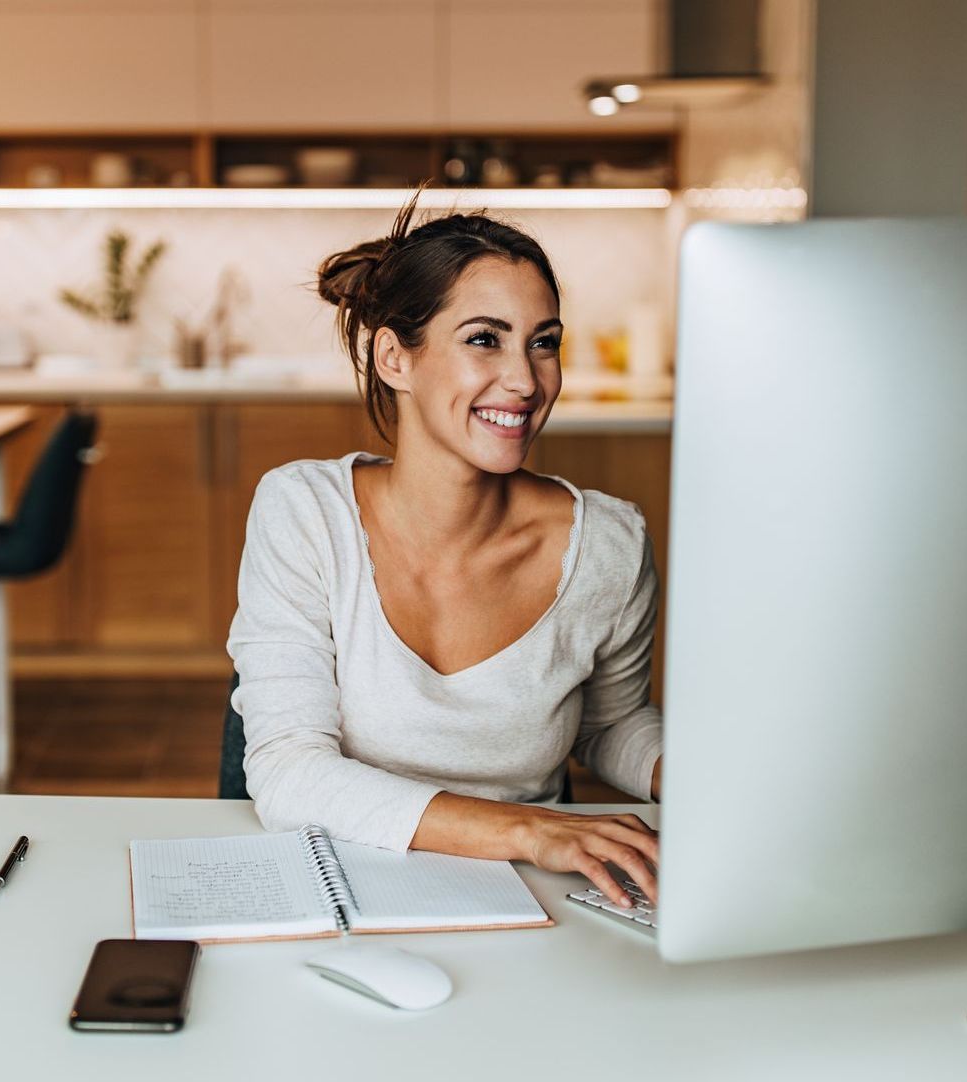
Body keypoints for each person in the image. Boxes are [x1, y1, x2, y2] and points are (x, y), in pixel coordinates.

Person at [227, 198, 662, 907]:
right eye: (485, 339)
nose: (526, 380)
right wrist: (526, 830)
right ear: (395, 356)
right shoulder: (305, 513)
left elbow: (609, 722)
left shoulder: (609, 546)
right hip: (343, 882)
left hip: (537, 898)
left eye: (543, 341)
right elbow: (288, 771)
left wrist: (697, 772)